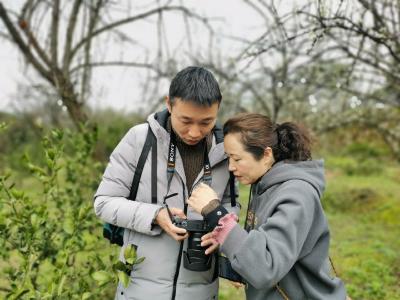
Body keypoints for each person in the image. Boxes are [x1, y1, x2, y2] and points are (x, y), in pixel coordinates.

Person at [94, 66, 240, 300]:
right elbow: (104, 202)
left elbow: (231, 204)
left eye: (206, 122)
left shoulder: (227, 149)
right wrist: (155, 215)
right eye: (186, 120)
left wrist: (219, 232)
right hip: (140, 290)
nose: (195, 132)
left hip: (201, 289)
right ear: (169, 104)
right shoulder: (139, 139)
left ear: (218, 111)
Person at [187, 113, 348, 300]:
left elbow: (265, 268)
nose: (230, 167)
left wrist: (215, 213)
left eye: (237, 159)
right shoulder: (263, 185)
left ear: (266, 154)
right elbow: (265, 246)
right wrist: (231, 248)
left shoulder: (297, 194)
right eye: (228, 158)